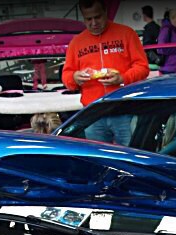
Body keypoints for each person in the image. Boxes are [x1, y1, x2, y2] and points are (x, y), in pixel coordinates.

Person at [62, 0, 149, 144]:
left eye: (98, 17)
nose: (94, 23)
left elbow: (143, 67)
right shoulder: (76, 43)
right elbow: (66, 76)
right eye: (88, 19)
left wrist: (122, 78)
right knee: (98, 156)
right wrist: (74, 77)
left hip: (125, 109)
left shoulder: (126, 33)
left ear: (106, 12)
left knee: (131, 153)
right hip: (93, 113)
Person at [157, 9, 176, 74]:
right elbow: (161, 49)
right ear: (171, 19)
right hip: (168, 70)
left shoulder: (174, 32)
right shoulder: (165, 31)